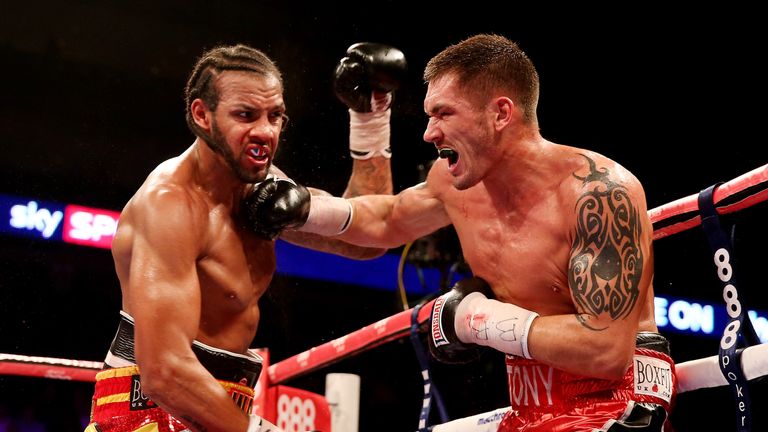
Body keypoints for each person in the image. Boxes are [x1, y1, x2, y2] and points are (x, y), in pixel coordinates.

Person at [246, 34, 677, 431]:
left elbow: (606, 352)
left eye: (443, 114)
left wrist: (476, 321)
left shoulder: (598, 194)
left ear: (501, 114)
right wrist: (304, 208)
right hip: (528, 399)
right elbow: (384, 220)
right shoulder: (452, 183)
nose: (429, 132)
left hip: (618, 401)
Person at [84, 42, 406, 432]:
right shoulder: (170, 205)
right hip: (148, 412)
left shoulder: (263, 189)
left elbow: (363, 241)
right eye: (246, 115)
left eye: (275, 116)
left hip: (214, 403)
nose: (265, 131)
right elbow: (164, 372)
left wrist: (369, 118)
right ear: (202, 115)